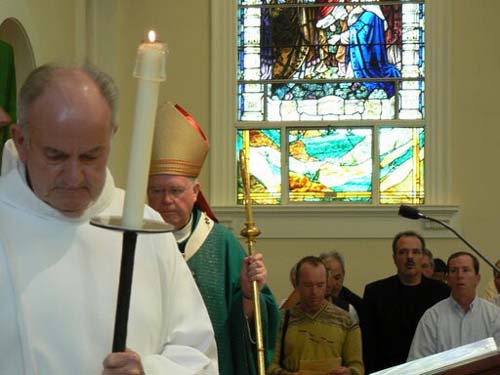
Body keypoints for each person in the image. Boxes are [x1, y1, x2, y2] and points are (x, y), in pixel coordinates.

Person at [0, 64, 218, 374]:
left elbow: (197, 353)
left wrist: (148, 371)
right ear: (21, 142)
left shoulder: (144, 227)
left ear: (111, 137)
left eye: (90, 156)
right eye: (56, 156)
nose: (74, 177)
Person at [147, 102, 280, 375]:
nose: (165, 200)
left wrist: (247, 293)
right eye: (156, 190)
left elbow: (259, 318)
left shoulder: (221, 243)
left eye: (175, 190)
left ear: (196, 191)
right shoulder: (135, 240)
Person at [362, 230, 450, 373]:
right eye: (403, 252)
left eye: (415, 252)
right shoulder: (375, 293)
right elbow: (368, 345)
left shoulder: (441, 292)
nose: (410, 257)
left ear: (422, 257)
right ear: (394, 258)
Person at [268, 256, 364, 375]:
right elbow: (269, 366)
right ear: (297, 286)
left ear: (326, 285)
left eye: (320, 285)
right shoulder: (282, 320)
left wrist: (348, 372)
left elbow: (357, 366)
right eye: (308, 285)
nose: (314, 292)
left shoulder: (346, 320)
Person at [408, 252, 500, 360]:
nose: (460, 275)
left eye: (465, 270)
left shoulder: (495, 315)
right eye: (454, 271)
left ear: (477, 278)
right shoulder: (432, 317)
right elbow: (418, 362)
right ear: (448, 279)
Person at [320, 250, 363, 323]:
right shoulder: (310, 300)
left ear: (343, 274)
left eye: (337, 278)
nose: (332, 283)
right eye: (327, 277)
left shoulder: (356, 304)